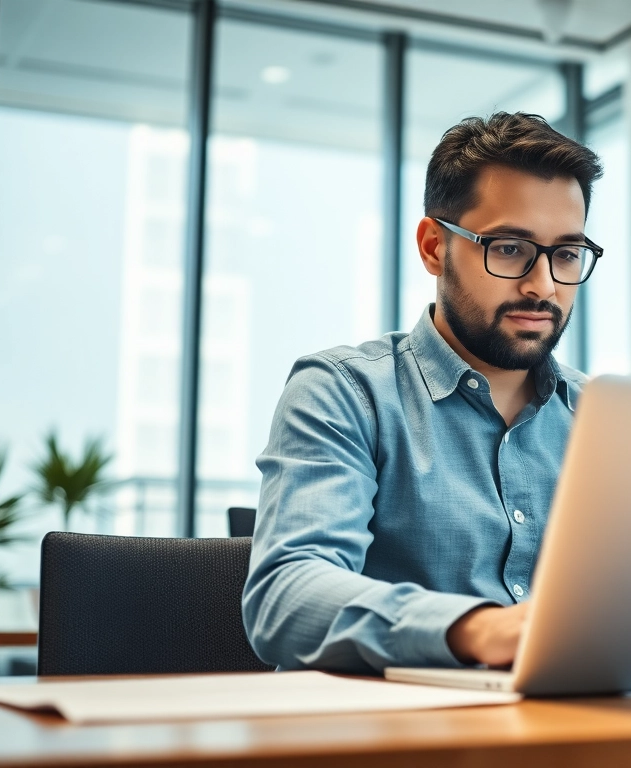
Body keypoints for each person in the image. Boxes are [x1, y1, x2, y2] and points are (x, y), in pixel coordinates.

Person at [242, 112, 604, 673]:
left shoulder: (604, 420)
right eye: (509, 248)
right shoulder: (343, 392)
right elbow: (285, 597)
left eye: (566, 253)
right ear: (435, 246)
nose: (544, 284)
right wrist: (477, 630)